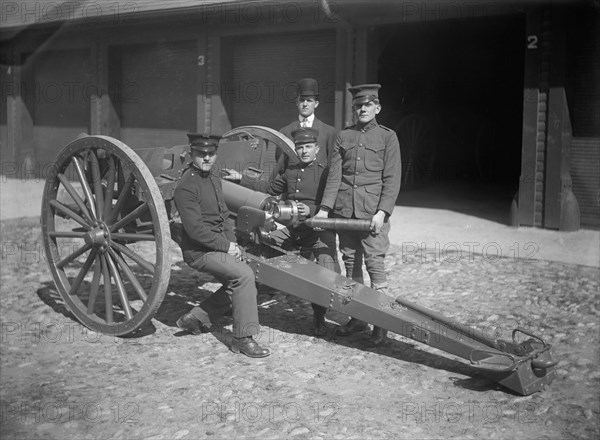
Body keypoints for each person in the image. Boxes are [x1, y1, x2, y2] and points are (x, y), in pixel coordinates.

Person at [223, 127, 340, 336]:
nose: (304, 151)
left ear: (317, 148)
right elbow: (268, 189)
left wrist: (312, 211)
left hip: (318, 232)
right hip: (292, 231)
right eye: (300, 147)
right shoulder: (291, 171)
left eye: (308, 147)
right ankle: (238, 300)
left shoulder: (326, 172)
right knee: (257, 249)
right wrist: (241, 177)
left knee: (326, 272)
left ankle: (319, 318)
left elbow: (335, 202)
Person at [314, 84, 402, 346]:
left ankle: (381, 322)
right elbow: (335, 176)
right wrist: (325, 209)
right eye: (358, 106)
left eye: (368, 105)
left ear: (377, 107)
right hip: (346, 213)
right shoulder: (344, 137)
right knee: (351, 264)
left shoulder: (388, 137)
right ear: (354, 108)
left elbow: (392, 179)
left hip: (372, 215)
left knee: (375, 266)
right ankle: (358, 317)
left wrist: (382, 212)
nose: (362, 109)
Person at [174, 133, 270, 358]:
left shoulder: (214, 177)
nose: (206, 158)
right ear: (192, 154)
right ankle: (242, 339)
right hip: (199, 251)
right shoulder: (186, 187)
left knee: (247, 281)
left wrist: (233, 244)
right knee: (244, 276)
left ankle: (197, 318)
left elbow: (225, 216)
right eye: (201, 154)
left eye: (211, 154)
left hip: (219, 245)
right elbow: (195, 230)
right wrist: (226, 247)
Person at [275, 78, 337, 173]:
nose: (305, 104)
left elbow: (331, 165)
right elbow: (281, 167)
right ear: (297, 103)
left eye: (309, 100)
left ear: (316, 104)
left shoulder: (329, 132)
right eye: (302, 100)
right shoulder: (284, 132)